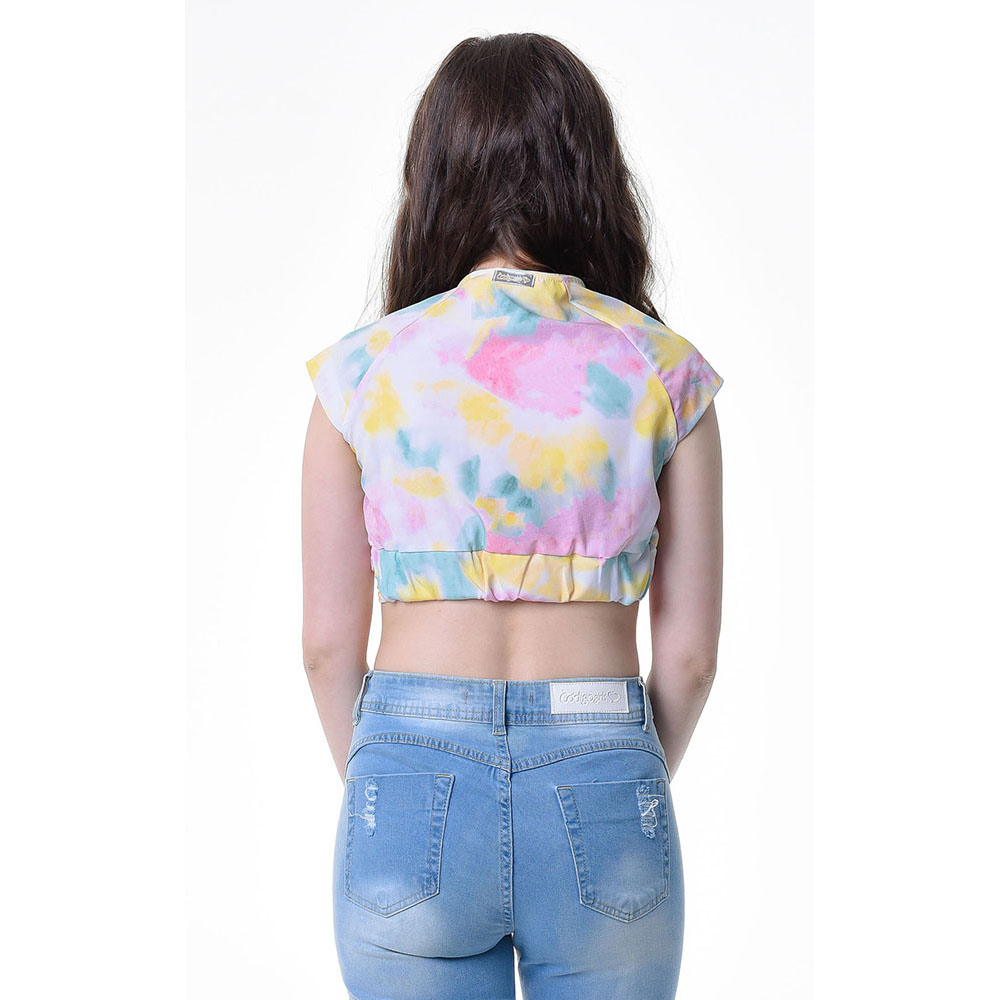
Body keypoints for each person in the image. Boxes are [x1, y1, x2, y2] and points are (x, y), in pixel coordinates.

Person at [301, 32, 724, 1000]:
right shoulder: (664, 372)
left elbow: (326, 648)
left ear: (434, 181)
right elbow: (691, 659)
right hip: (602, 754)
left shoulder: (360, 374)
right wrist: (614, 776)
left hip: (408, 762)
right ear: (594, 176)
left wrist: (389, 779)